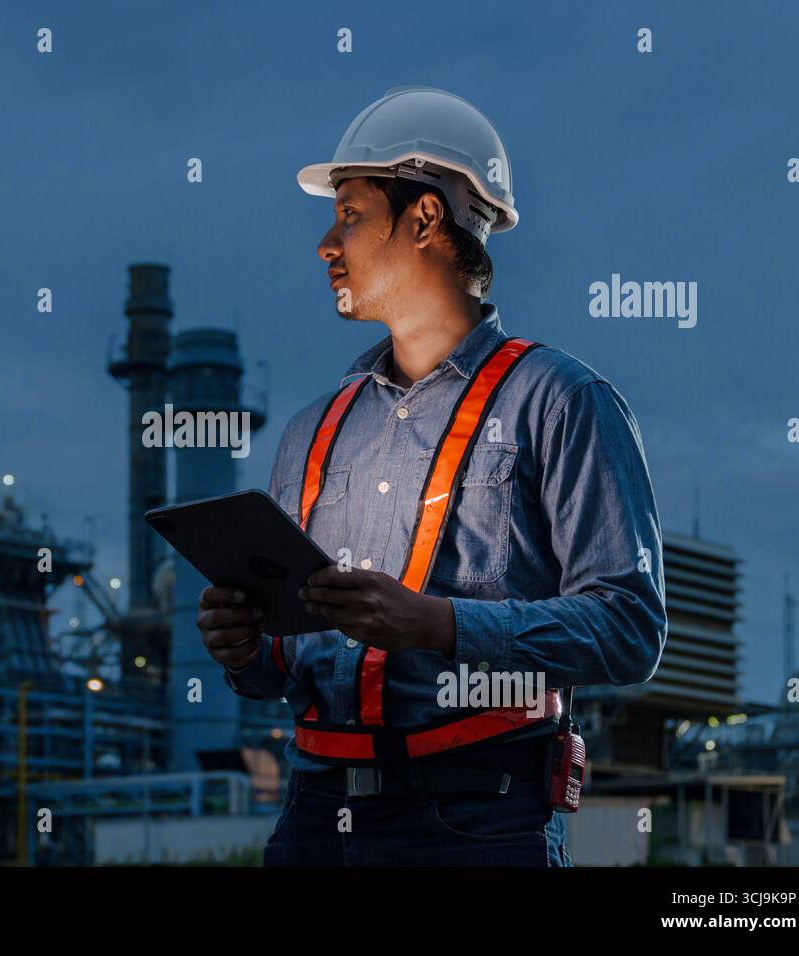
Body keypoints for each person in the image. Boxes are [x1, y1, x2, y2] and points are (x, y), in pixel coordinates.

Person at [196, 86, 667, 866]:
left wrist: (437, 626)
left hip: (477, 818)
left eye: (350, 214)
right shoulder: (312, 432)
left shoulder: (560, 401)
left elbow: (629, 627)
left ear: (424, 220)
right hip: (316, 815)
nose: (325, 243)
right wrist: (245, 648)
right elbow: (286, 671)